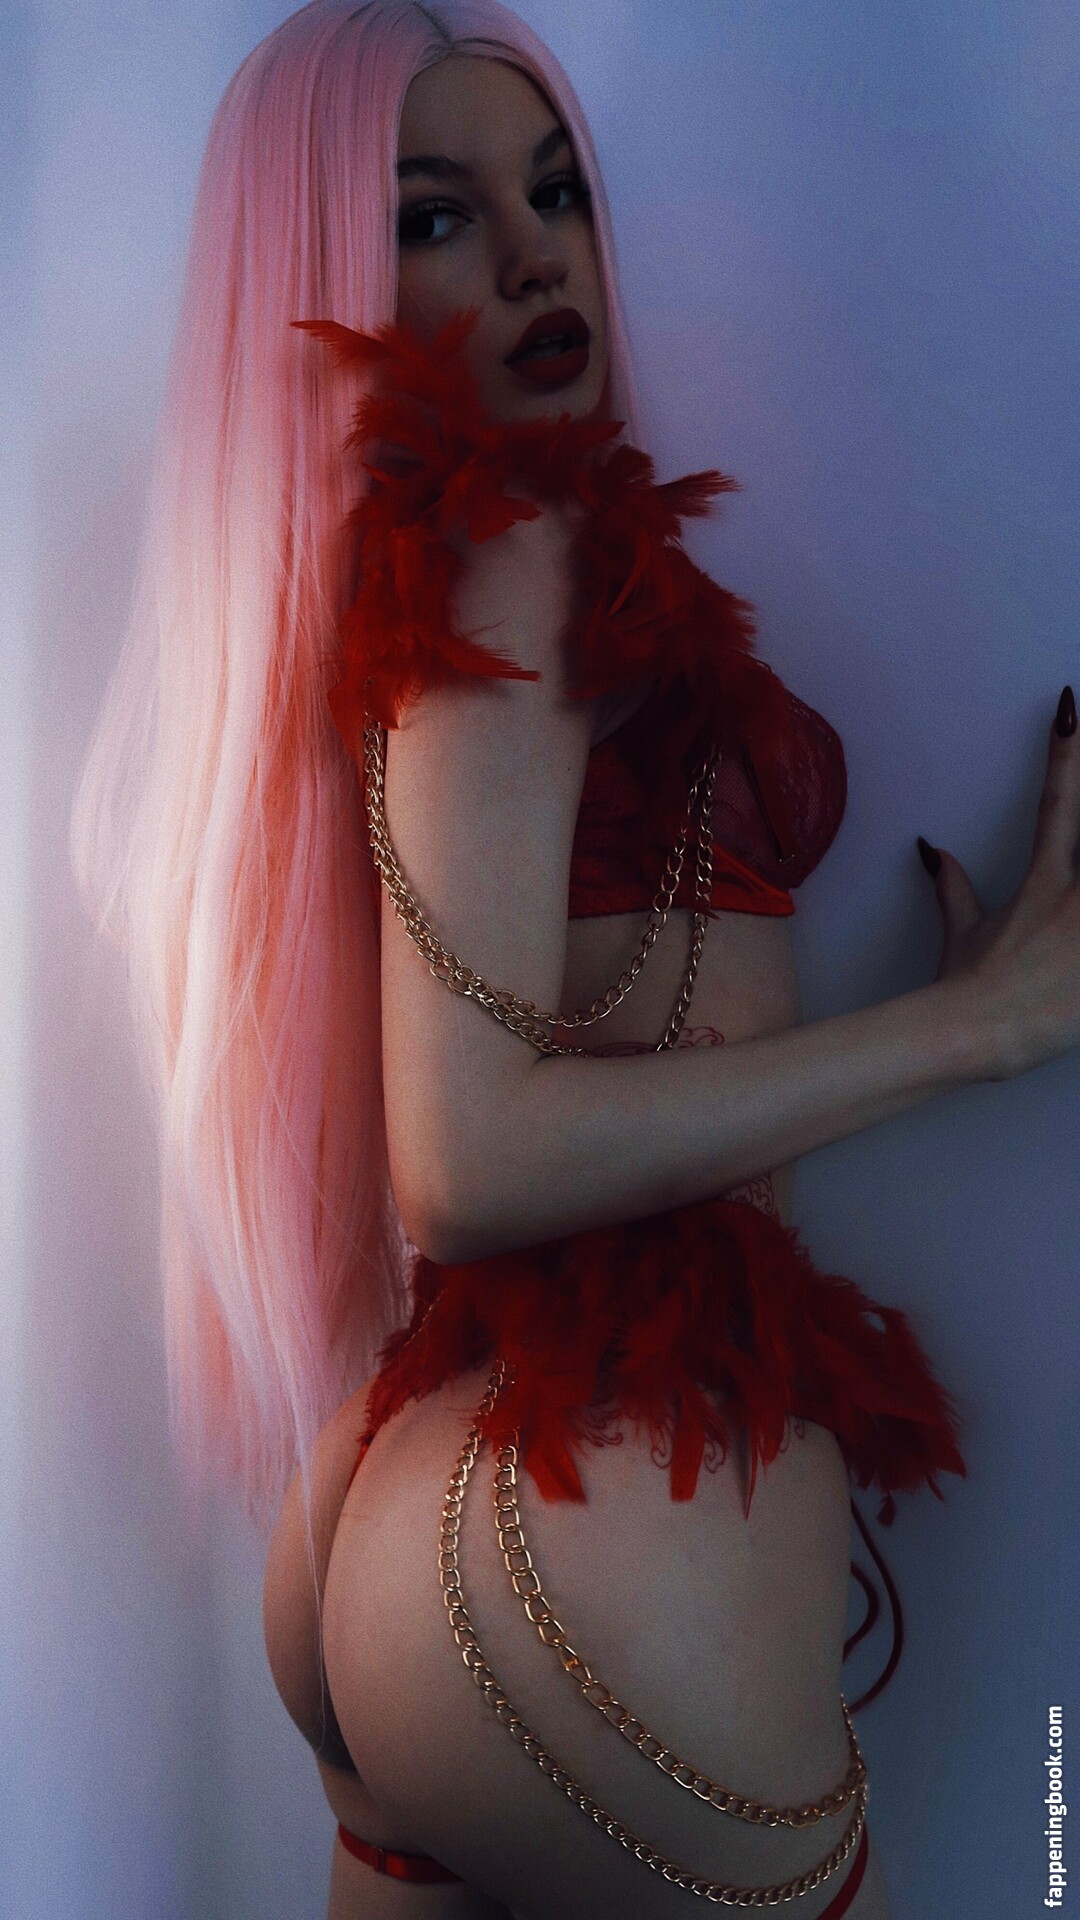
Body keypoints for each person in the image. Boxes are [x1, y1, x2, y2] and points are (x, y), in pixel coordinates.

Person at [70, 5, 1080, 1917]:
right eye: (434, 215)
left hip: (408, 1515)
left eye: (556, 194)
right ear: (326, 275)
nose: (537, 257)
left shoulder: (429, 572)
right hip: (597, 1510)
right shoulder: (516, 547)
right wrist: (976, 1028)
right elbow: (467, 1162)